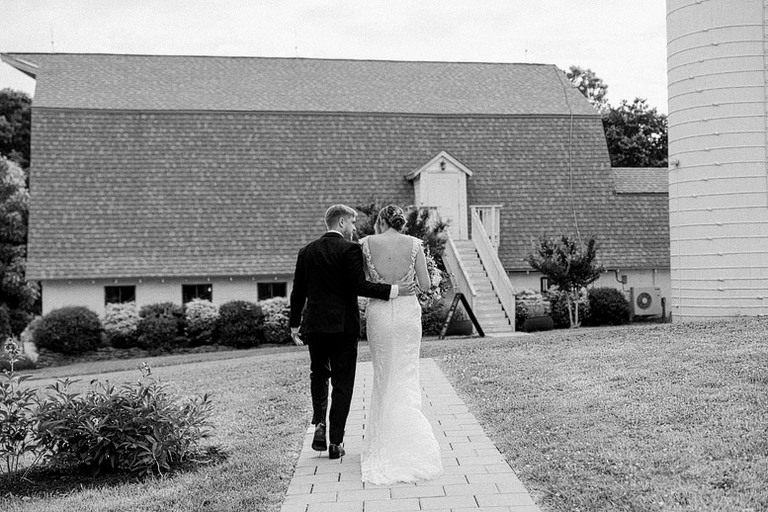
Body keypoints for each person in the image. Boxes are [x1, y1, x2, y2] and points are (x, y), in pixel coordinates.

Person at [289, 204, 416, 460]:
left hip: (315, 325)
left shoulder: (306, 252)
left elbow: (297, 292)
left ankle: (319, 424)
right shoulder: (350, 249)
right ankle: (335, 442)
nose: (355, 228)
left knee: (319, 374)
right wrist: (394, 290)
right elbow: (360, 285)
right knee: (343, 382)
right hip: (344, 326)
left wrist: (294, 325)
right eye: (353, 223)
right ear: (343, 222)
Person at [359, 205, 443, 485]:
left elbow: (362, 282)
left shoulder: (366, 244)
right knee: (406, 373)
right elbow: (426, 283)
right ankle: (410, 440)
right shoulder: (414, 244)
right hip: (407, 312)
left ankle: (385, 440)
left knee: (384, 374)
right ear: (401, 222)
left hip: (380, 312)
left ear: (381, 221)